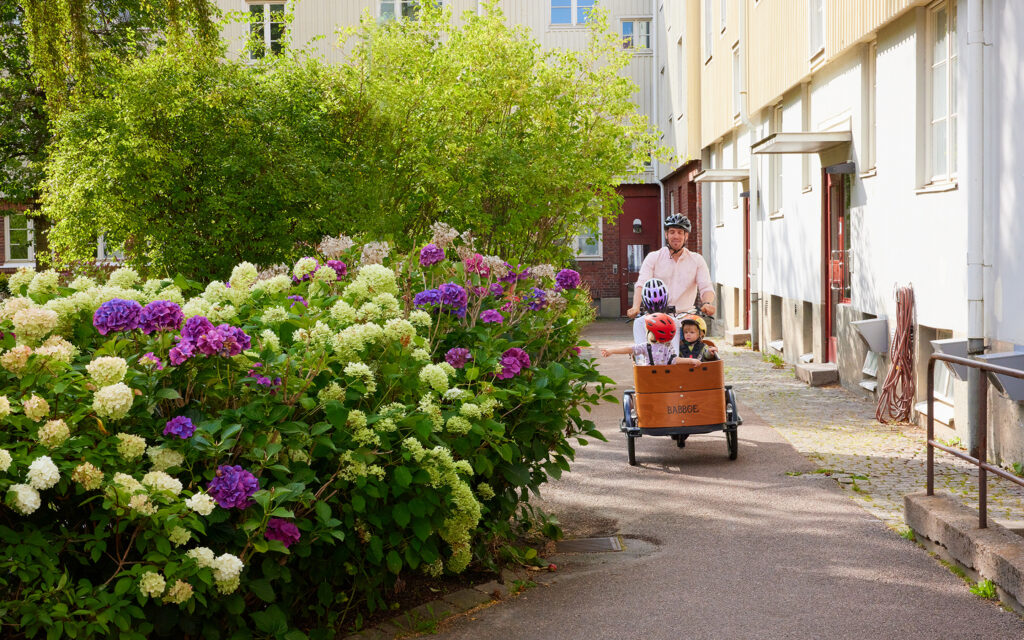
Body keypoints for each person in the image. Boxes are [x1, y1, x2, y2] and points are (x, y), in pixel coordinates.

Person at [627, 214, 716, 320]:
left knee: (696, 335)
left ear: (686, 236)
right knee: (641, 329)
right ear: (666, 235)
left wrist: (707, 303)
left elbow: (705, 287)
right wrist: (635, 306)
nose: (676, 236)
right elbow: (642, 284)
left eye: (680, 232)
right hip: (658, 316)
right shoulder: (653, 257)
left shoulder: (697, 260)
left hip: (686, 316)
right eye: (672, 232)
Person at [601, 313, 701, 366]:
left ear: (650, 333)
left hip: (648, 380)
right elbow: (676, 360)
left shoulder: (645, 346)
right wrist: (691, 360)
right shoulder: (668, 348)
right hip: (666, 380)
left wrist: (612, 351)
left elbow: (628, 349)